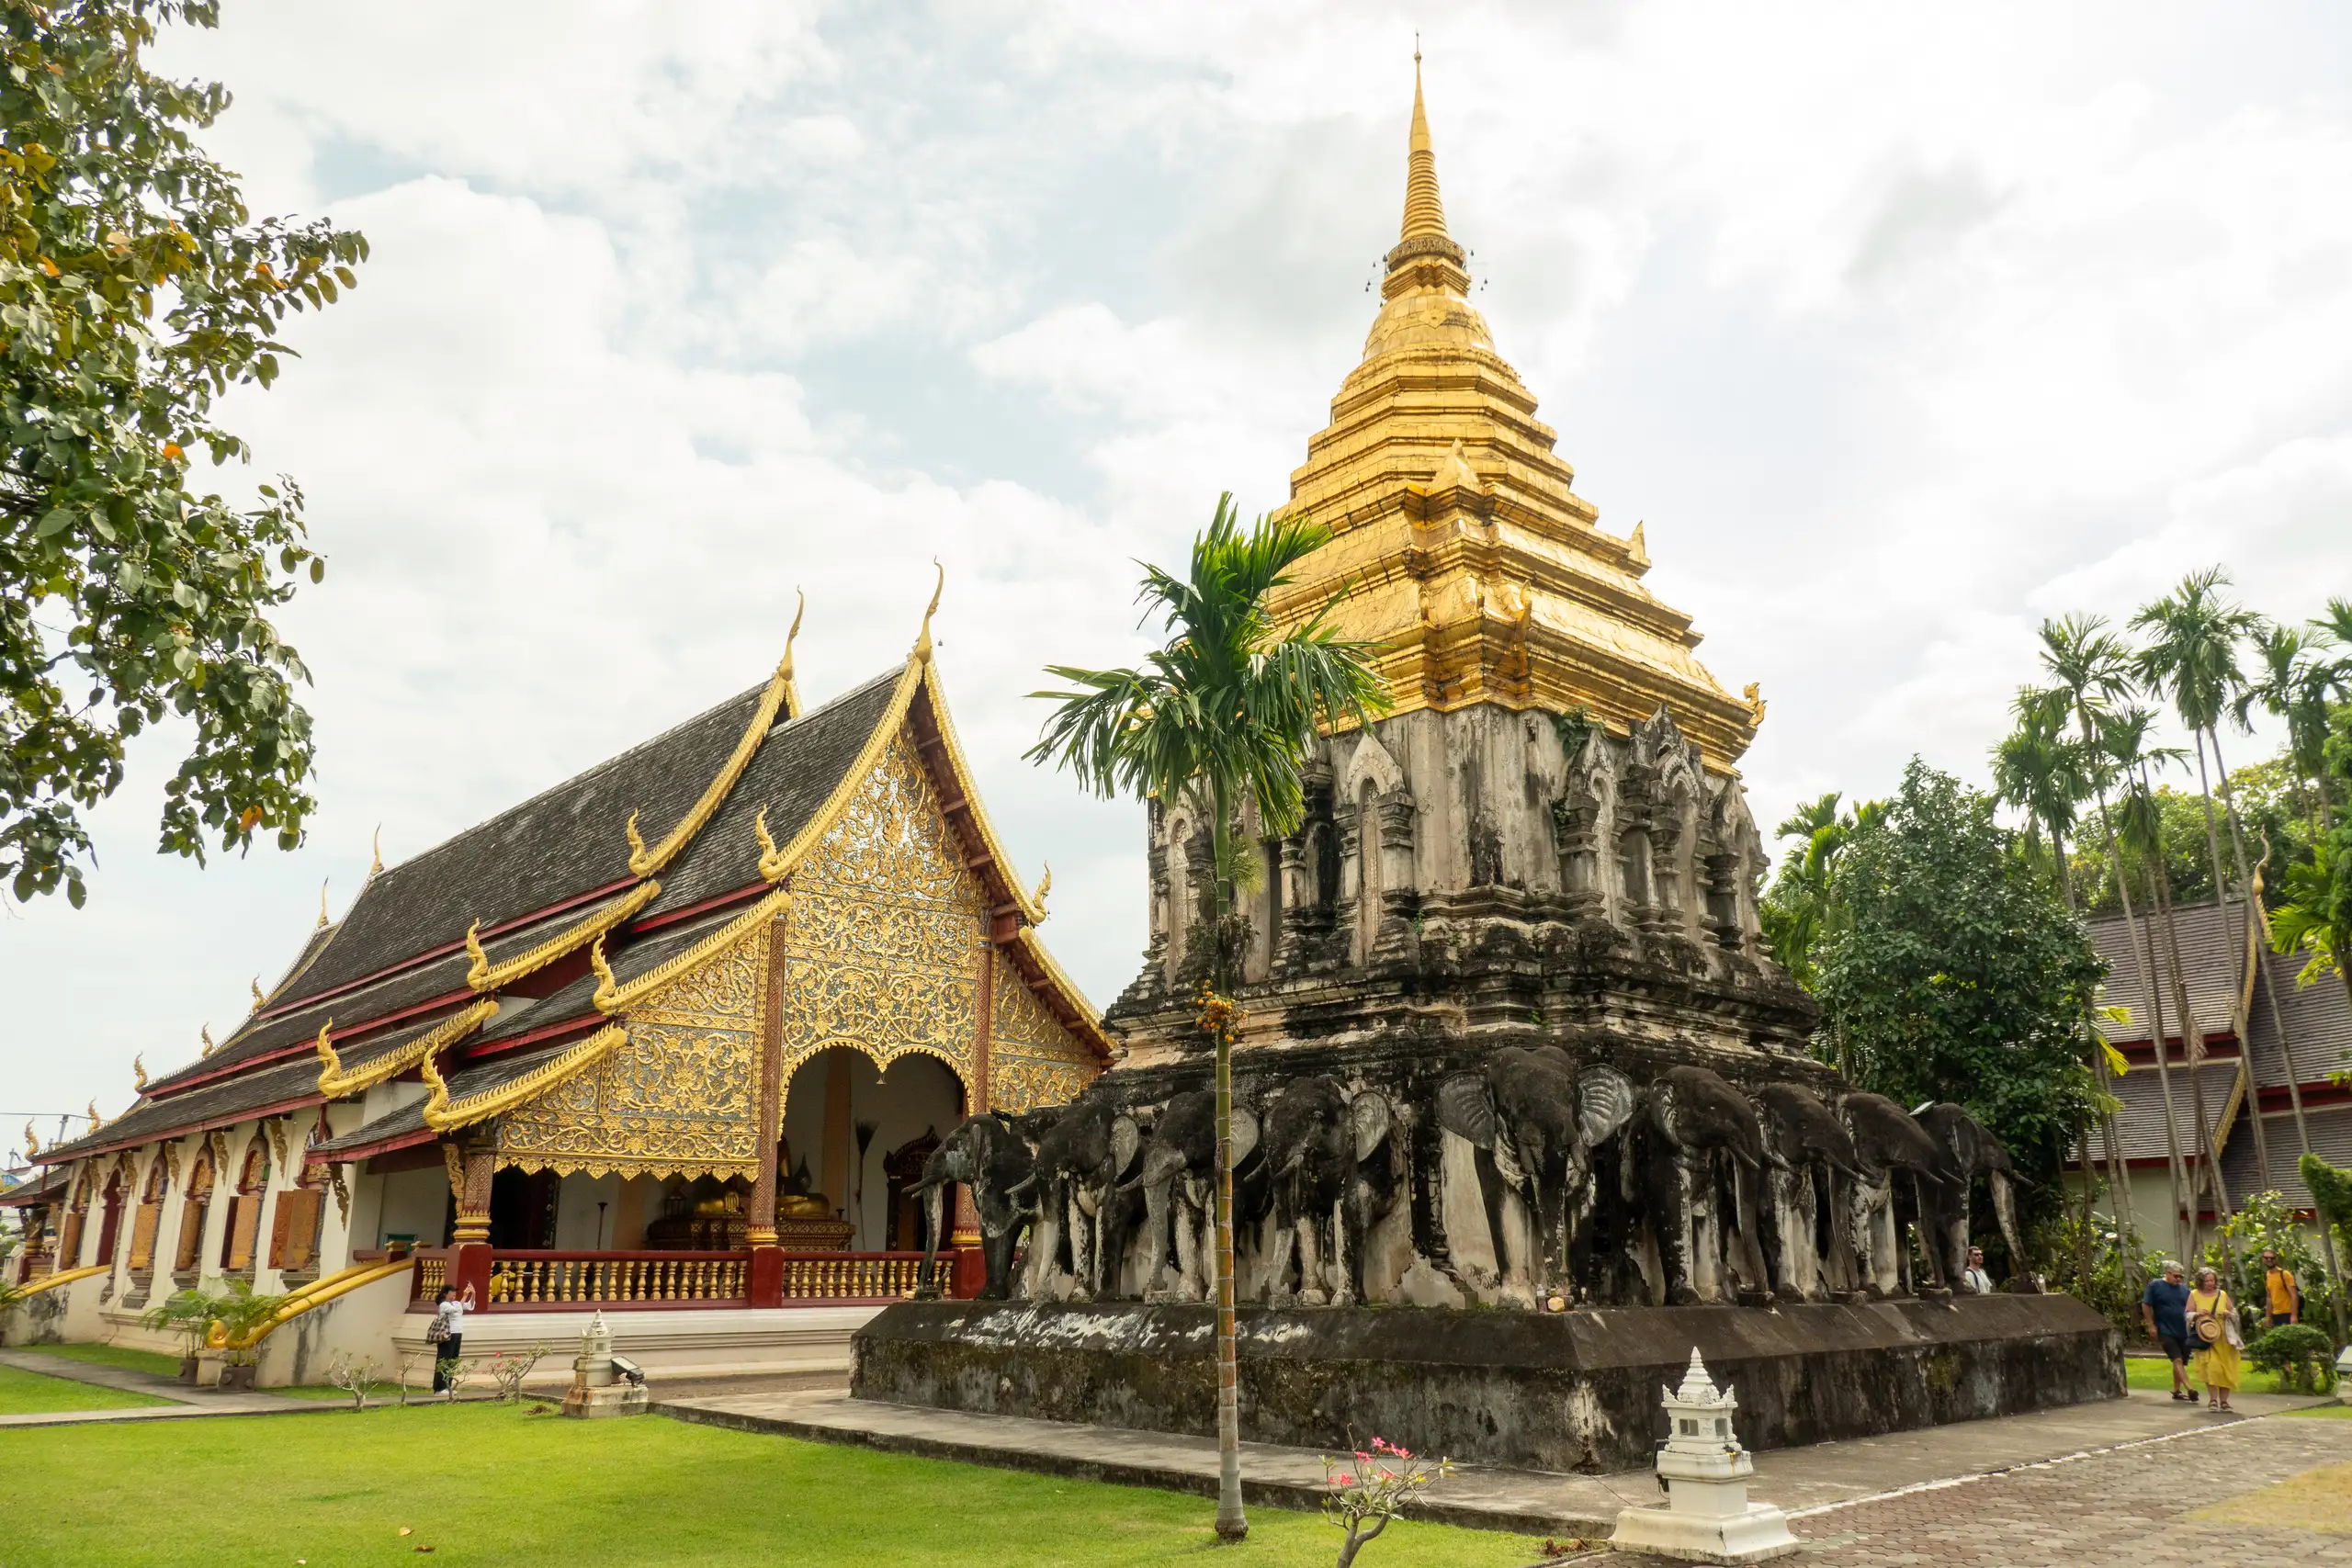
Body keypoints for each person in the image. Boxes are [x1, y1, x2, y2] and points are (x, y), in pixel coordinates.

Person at [2187, 1266, 2243, 1413]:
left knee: (2226, 1370)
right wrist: (2197, 1314)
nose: (2210, 1283)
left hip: (2224, 1338)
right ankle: (2213, 1400)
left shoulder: (2222, 1295)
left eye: (2212, 1280)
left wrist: (2227, 1314)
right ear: (2200, 1282)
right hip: (2206, 1337)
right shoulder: (2194, 1294)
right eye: (2206, 1281)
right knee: (2212, 1368)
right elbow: (2187, 1313)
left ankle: (2224, 1402)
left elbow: (2234, 1313)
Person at [2141, 1259, 2196, 1402]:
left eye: (2180, 1277)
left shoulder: (2184, 1289)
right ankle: (2190, 1388)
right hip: (2165, 1329)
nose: (2178, 1279)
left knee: (2181, 1361)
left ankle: (2177, 1391)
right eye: (2176, 1276)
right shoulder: (2155, 1286)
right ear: (2167, 1273)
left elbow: (2191, 1307)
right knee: (2176, 1358)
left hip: (2183, 1330)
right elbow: (2146, 1305)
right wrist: (2151, 1324)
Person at [429, 1282, 476, 1398]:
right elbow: (456, 1310)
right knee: (444, 1359)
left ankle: (447, 1386)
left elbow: (470, 1305)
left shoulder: (455, 1303)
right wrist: (464, 1295)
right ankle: (439, 1388)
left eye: (455, 1292)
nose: (454, 1294)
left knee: (452, 1360)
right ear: (445, 1293)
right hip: (447, 1335)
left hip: (457, 1334)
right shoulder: (444, 1305)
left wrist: (473, 1294)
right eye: (452, 1292)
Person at [2259, 1248, 2300, 1328]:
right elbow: (2269, 1297)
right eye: (2266, 1258)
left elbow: (2294, 1296)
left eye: (2272, 1258)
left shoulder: (2285, 1274)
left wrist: (2294, 1316)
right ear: (2263, 1259)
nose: (2269, 1260)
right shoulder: (2267, 1275)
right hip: (2276, 1315)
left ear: (2276, 1259)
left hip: (2287, 1314)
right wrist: (2268, 1317)